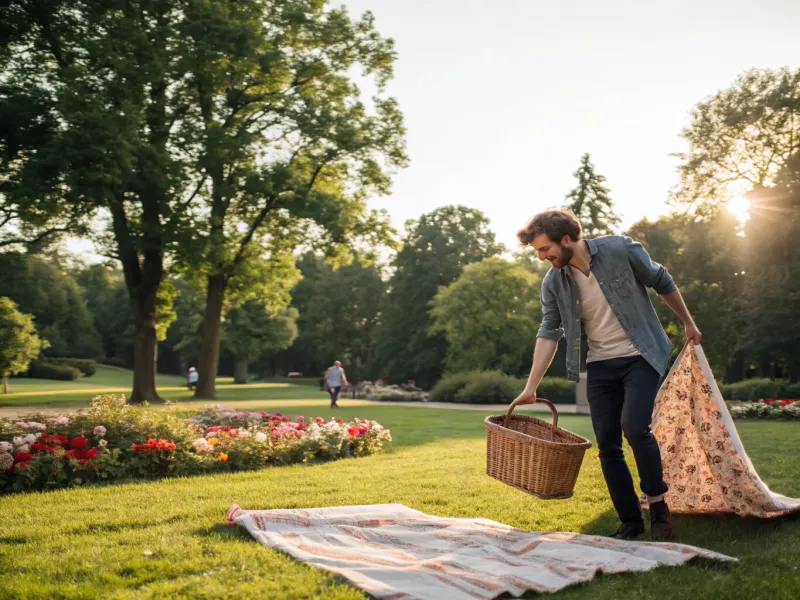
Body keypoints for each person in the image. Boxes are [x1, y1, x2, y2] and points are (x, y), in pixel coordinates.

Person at [511, 209, 702, 541]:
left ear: (566, 239)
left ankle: (658, 508)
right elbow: (548, 331)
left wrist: (688, 321)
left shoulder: (620, 250)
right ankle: (629, 520)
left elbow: (661, 280)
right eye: (538, 252)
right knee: (607, 446)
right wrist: (531, 387)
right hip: (600, 366)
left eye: (545, 249)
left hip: (640, 355)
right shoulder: (554, 282)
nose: (542, 257)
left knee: (635, 428)